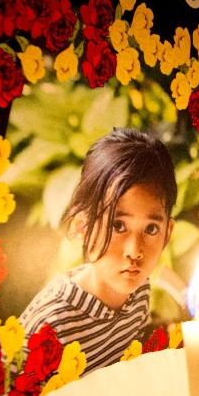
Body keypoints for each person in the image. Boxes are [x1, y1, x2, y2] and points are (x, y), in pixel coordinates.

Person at [18, 127, 176, 374]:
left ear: (168, 232)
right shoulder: (49, 325)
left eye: (151, 229)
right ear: (82, 227)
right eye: (118, 225)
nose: (135, 251)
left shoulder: (139, 293)